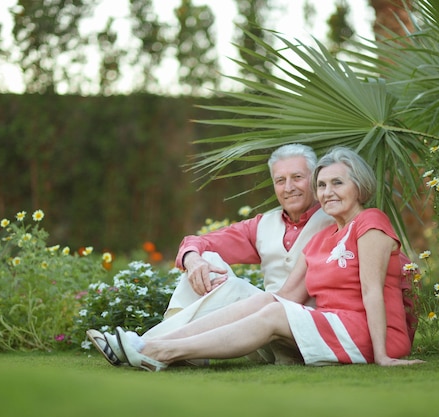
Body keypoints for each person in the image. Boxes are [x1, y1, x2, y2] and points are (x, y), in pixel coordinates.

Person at [112, 146, 425, 371]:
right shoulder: (319, 240)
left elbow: (373, 291)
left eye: (338, 183)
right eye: (322, 185)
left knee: (274, 314)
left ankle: (163, 351)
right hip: (335, 326)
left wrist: (383, 356)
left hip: (371, 334)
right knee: (270, 303)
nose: (327, 192)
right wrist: (195, 258)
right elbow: (286, 296)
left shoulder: (370, 222)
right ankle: (149, 345)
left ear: (359, 186)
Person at [87, 143, 335, 365]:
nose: (288, 187)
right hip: (254, 333)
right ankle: (171, 352)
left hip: (300, 333)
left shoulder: (336, 221)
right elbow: (198, 242)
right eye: (280, 180)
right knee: (207, 259)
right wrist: (193, 260)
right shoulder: (263, 225)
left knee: (235, 288)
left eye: (297, 177)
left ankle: (143, 344)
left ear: (314, 179)